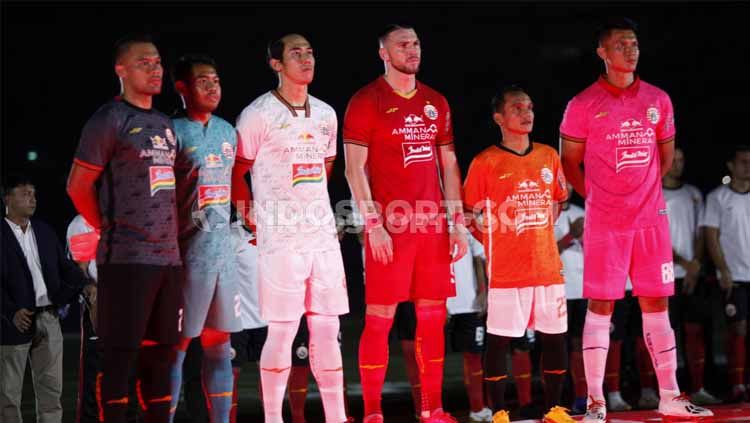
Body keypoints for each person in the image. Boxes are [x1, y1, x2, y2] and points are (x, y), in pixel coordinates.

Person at [559, 18, 712, 421]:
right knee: (601, 306)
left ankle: (670, 395)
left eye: (635, 44)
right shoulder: (582, 104)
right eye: (621, 45)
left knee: (657, 304)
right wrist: (599, 198)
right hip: (606, 223)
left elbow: (663, 158)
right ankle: (595, 401)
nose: (631, 51)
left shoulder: (658, 99)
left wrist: (640, 196)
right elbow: (568, 162)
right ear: (603, 53)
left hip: (649, 220)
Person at [343, 24, 468, 423]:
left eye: (415, 43)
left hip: (431, 228)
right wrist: (373, 223)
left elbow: (448, 163)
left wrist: (457, 222)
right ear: (383, 53)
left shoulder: (436, 101)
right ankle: (374, 413)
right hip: (391, 228)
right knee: (380, 317)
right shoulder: (367, 100)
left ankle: (434, 409)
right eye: (402, 45)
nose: (412, 50)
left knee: (433, 317)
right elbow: (353, 169)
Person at [233, 33, 349, 423]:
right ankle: (272, 417)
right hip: (280, 240)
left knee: (328, 329)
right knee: (282, 331)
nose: (306, 59)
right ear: (276, 64)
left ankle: (335, 416)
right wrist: (250, 211)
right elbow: (238, 169)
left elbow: (325, 168)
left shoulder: (327, 114)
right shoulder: (257, 114)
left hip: (320, 236)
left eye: (311, 52)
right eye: (295, 53)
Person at [66, 34, 183, 423]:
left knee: (162, 356)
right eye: (144, 63)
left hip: (168, 259)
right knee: (120, 358)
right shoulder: (109, 119)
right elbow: (77, 186)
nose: (155, 69)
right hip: (126, 259)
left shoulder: (165, 123)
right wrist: (109, 228)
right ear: (121, 70)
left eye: (158, 63)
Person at [463, 86, 573, 423]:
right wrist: (496, 239)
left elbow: (558, 200)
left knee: (554, 339)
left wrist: (539, 236)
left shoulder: (548, 156)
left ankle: (554, 409)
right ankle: (498, 412)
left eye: (529, 106)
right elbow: (468, 213)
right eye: (517, 108)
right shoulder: (485, 162)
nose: (527, 113)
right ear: (499, 118)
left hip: (547, 268)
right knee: (499, 342)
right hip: (507, 272)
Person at [167, 53, 241, 423]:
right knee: (175, 349)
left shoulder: (229, 132)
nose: (212, 87)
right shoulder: (170, 132)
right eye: (202, 81)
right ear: (181, 88)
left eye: (216, 80)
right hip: (185, 258)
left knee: (220, 346)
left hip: (222, 259)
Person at [1, 175, 92, 423]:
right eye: (25, 193)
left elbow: (66, 268)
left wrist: (83, 285)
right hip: (14, 322)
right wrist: (10, 312)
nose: (32, 198)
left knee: (52, 392)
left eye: (34, 193)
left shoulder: (43, 230)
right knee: (8, 395)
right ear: (7, 199)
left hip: (49, 318)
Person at [662, 147, 722, 405]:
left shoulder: (693, 194)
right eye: (673, 160)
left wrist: (694, 265)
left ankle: (698, 387)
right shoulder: (653, 194)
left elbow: (700, 233)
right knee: (665, 332)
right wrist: (684, 263)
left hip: (691, 275)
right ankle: (664, 391)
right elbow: (656, 238)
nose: (678, 164)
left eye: (681, 159)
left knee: (695, 329)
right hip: (663, 275)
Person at [702, 145, 750, 402]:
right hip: (736, 275)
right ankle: (737, 384)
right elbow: (711, 236)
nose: (747, 167)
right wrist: (723, 270)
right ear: (731, 166)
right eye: (743, 162)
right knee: (738, 328)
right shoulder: (719, 197)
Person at [445, 233, 493, 422]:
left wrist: (483, 291)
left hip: (469, 301)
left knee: (474, 356)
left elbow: (478, 257)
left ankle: (477, 409)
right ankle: (431, 411)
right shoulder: (427, 220)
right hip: (438, 302)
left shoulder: (467, 219)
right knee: (433, 361)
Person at [66, 214, 103, 423]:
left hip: (127, 303)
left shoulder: (120, 212)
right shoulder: (82, 223)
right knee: (94, 372)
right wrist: (90, 290)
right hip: (99, 305)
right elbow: (80, 273)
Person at [228, 223, 266, 423]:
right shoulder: (234, 234)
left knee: (270, 376)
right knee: (231, 374)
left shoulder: (276, 230)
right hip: (239, 320)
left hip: (268, 319)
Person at [554, 190, 587, 414]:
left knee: (580, 346)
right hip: (557, 292)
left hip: (582, 291)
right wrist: (569, 237)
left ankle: (582, 397)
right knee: (556, 348)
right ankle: (557, 400)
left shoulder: (582, 213)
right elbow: (544, 253)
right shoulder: (544, 215)